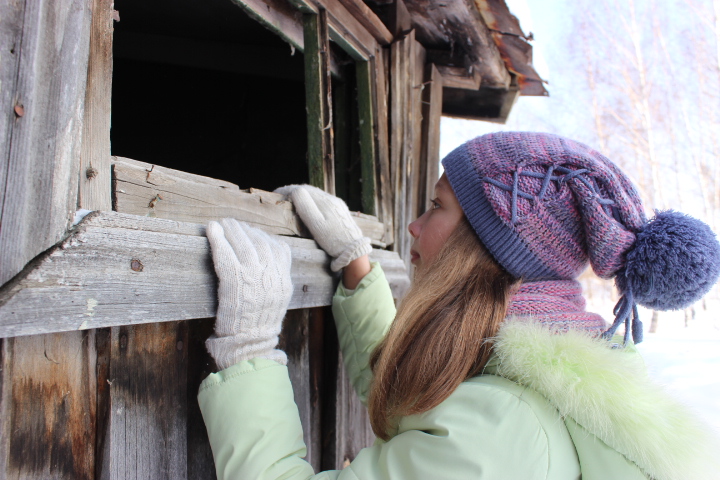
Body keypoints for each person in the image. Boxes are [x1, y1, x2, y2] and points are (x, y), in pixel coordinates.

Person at [198, 132, 720, 480]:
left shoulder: (502, 432)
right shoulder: (517, 374)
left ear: (485, 247)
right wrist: (357, 265)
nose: (414, 226)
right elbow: (420, 396)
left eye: (436, 206)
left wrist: (248, 353)